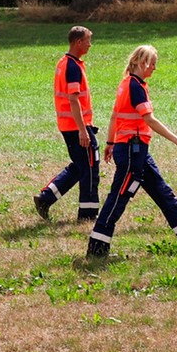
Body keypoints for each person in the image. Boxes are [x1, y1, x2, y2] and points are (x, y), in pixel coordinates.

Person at [87, 45, 177, 258]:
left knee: (162, 192)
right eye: (152, 63)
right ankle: (97, 247)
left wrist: (110, 142)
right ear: (141, 62)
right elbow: (149, 119)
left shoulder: (128, 83)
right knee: (118, 197)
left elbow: (114, 116)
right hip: (131, 151)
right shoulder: (135, 86)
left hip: (135, 150)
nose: (155, 68)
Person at [33, 26, 101, 221]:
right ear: (78, 42)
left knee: (81, 165)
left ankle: (45, 198)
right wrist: (83, 130)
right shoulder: (71, 67)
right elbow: (73, 100)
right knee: (89, 168)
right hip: (77, 127)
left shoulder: (66, 63)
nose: (90, 44)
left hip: (69, 125)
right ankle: (88, 215)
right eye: (88, 40)